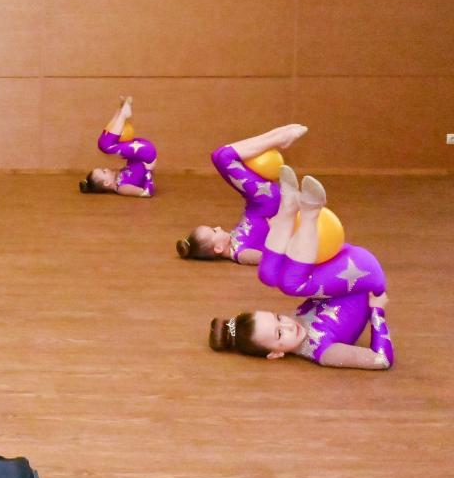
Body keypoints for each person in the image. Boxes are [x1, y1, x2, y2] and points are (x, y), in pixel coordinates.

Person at [209, 167, 393, 370]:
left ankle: (288, 207)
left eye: (278, 318)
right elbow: (381, 360)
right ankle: (309, 212)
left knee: (267, 275)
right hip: (365, 275)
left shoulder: (295, 320)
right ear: (275, 354)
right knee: (291, 285)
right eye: (280, 333)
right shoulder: (324, 352)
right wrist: (377, 310)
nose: (288, 325)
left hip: (340, 262)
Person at [177, 123, 308, 263]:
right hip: (265, 198)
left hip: (260, 200)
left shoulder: (233, 240)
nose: (218, 227)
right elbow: (268, 259)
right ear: (218, 248)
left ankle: (279, 136)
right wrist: (280, 225)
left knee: (217, 156)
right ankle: (279, 137)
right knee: (223, 157)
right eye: (214, 231)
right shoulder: (241, 254)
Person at [79, 96, 156, 197]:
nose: (106, 169)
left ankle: (120, 112)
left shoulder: (119, 176)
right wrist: (149, 170)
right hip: (146, 153)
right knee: (105, 146)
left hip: (139, 150)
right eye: (104, 171)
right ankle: (122, 114)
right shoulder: (121, 188)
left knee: (104, 144)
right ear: (107, 183)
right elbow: (147, 193)